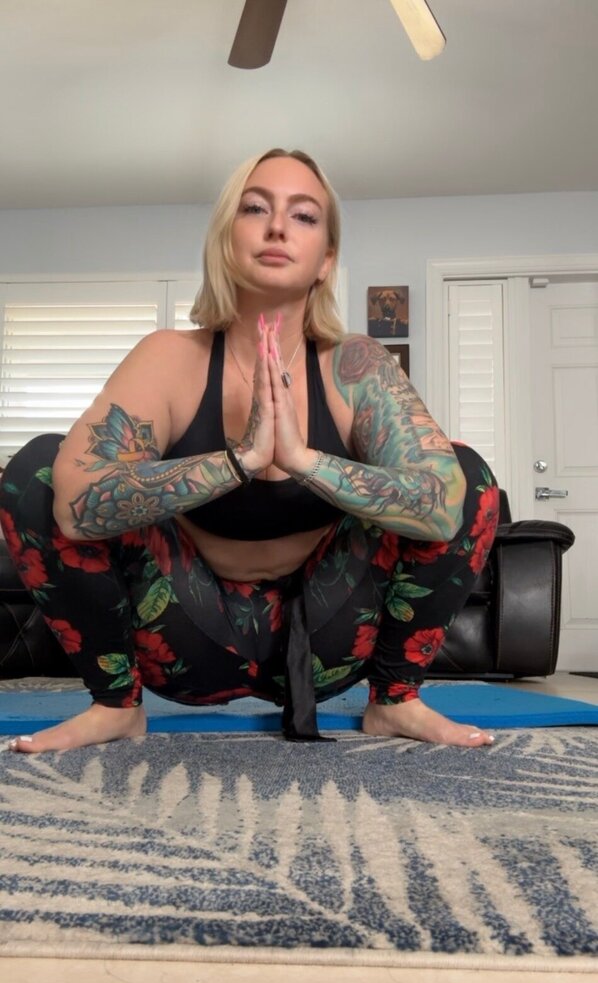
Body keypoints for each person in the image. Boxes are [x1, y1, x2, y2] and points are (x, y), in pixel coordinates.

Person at [0, 148, 499, 755]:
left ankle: (395, 700)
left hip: (328, 638)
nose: (278, 226)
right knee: (38, 470)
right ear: (225, 239)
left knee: (466, 473)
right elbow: (74, 504)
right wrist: (238, 461)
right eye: (256, 208)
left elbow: (445, 506)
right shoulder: (168, 359)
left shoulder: (356, 366)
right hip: (186, 639)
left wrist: (303, 460)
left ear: (327, 259)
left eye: (304, 215)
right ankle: (115, 707)